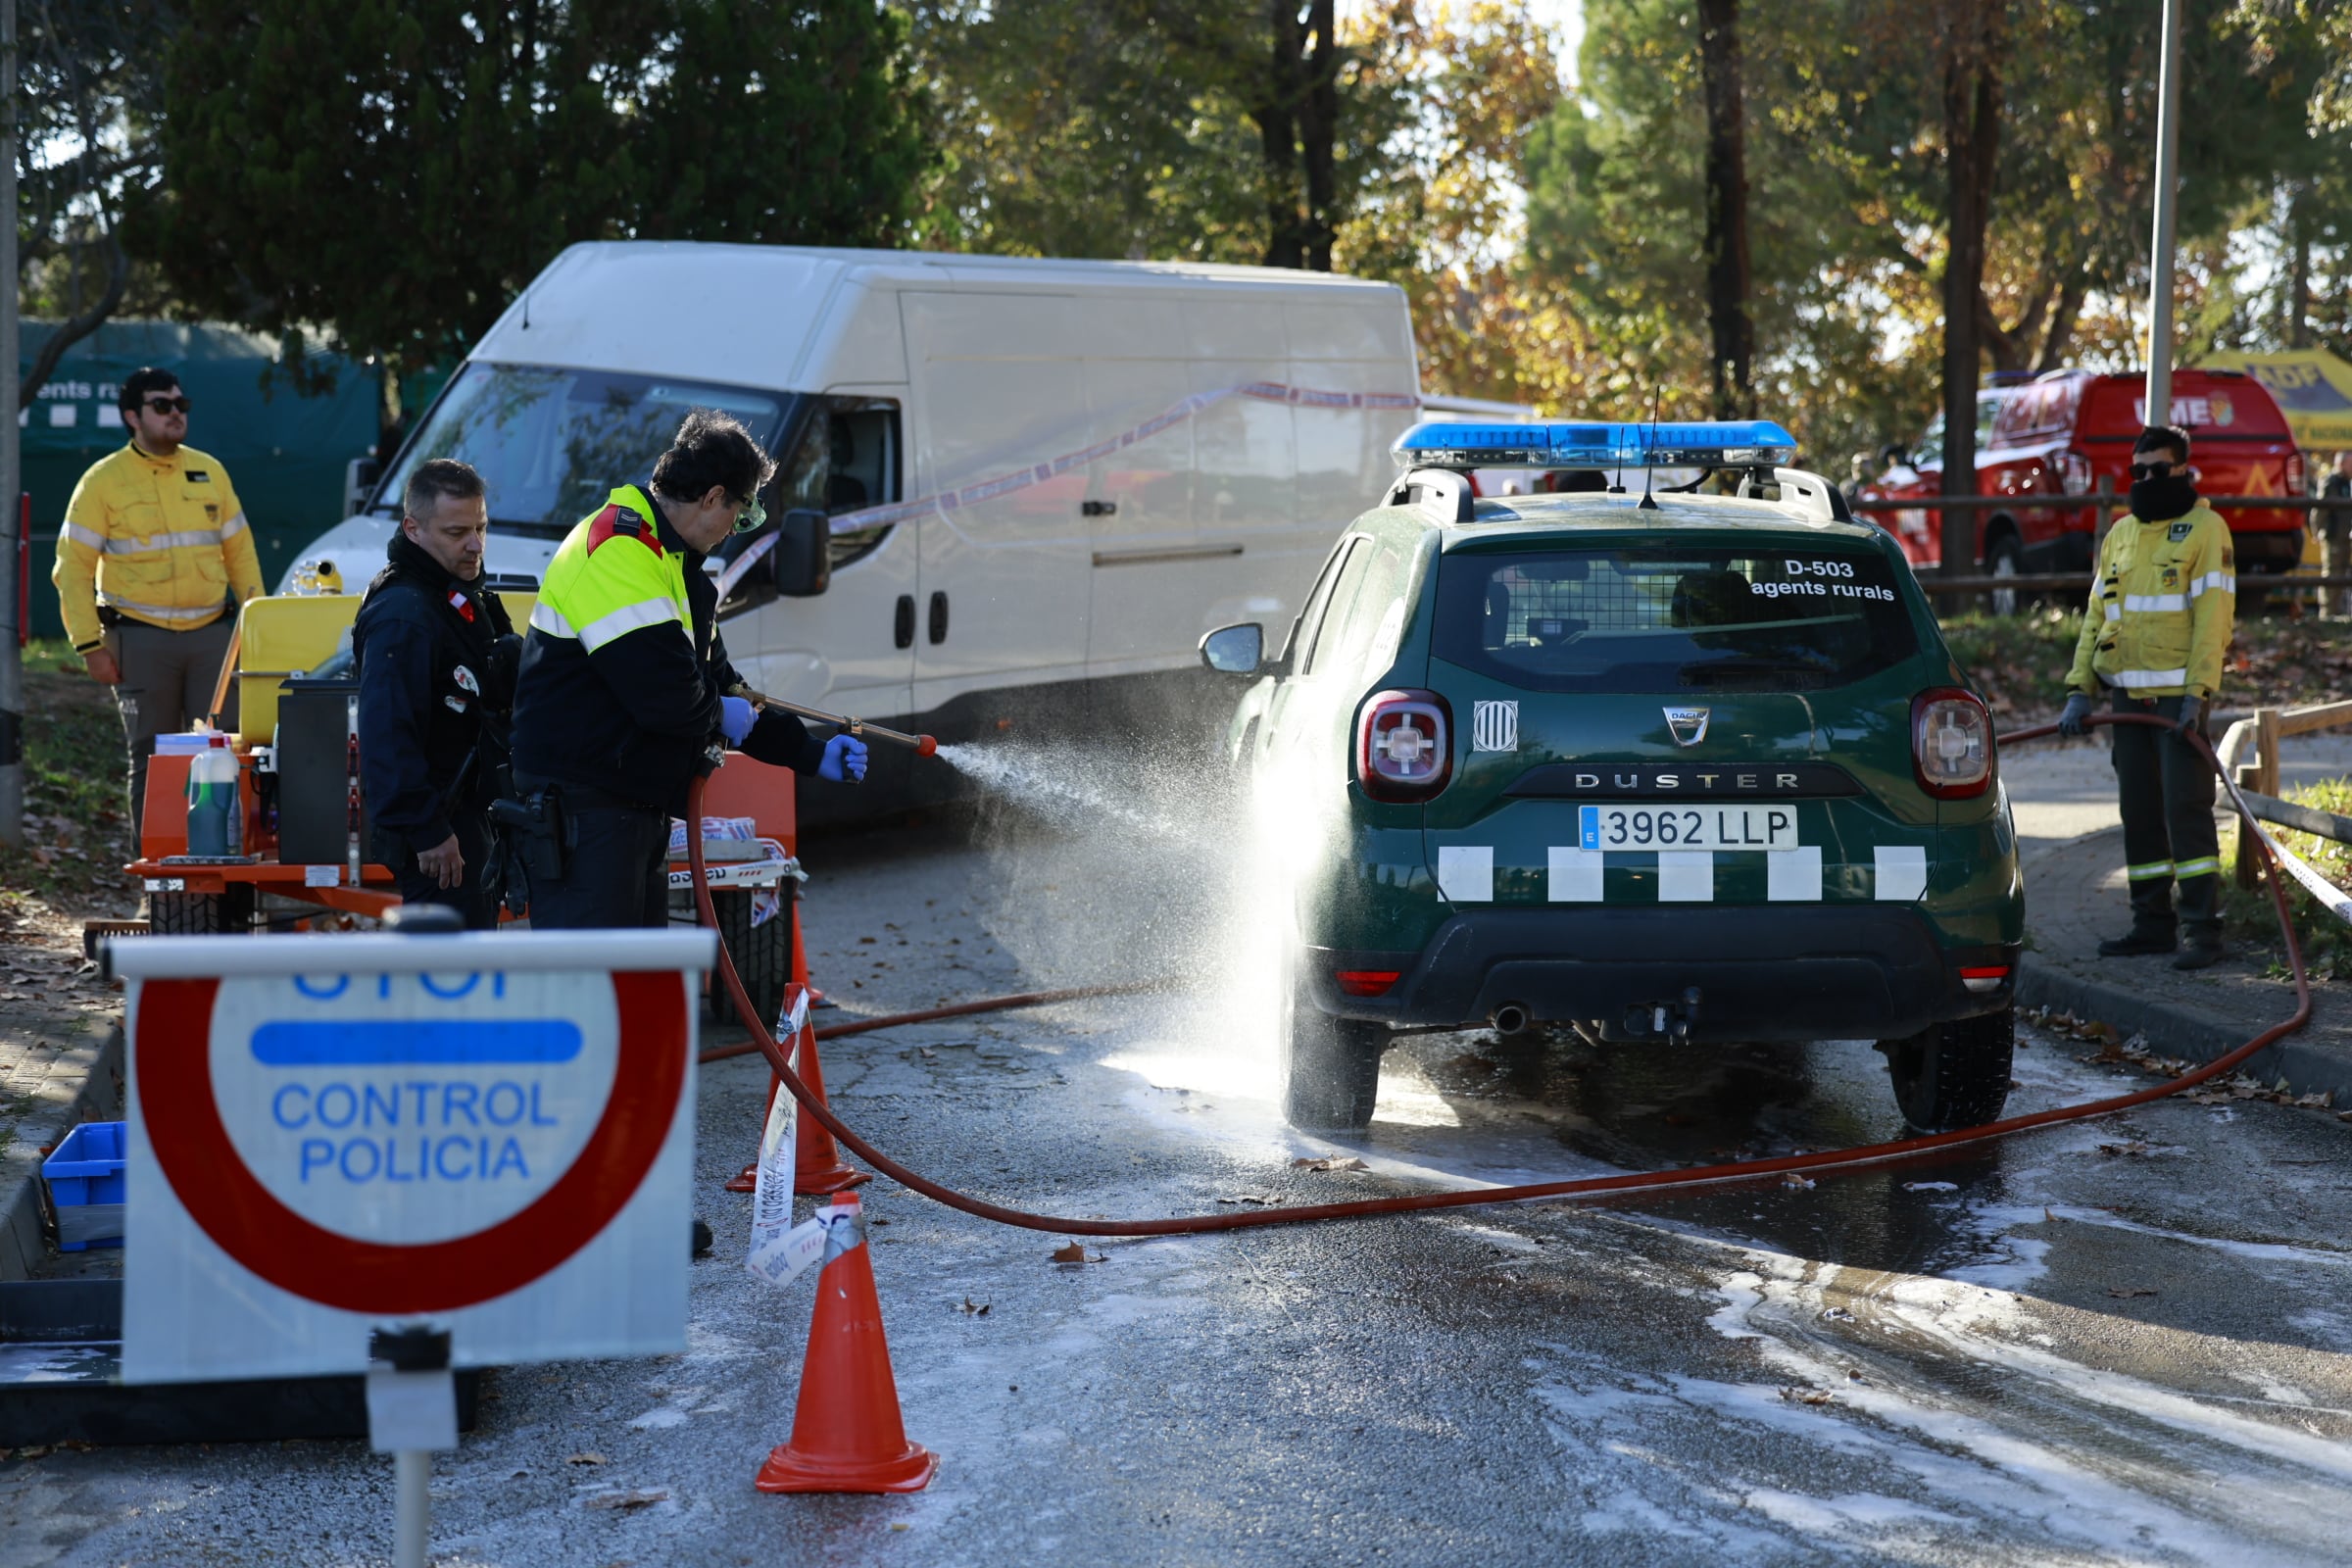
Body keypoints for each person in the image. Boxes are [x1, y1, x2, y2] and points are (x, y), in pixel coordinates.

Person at [507, 409, 867, 929]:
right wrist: (719, 710)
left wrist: (810, 751)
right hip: (583, 816)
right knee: (590, 992)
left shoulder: (672, 567)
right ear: (713, 497)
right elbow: (667, 697)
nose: (733, 531)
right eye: (741, 515)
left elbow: (722, 687)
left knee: (635, 985)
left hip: (625, 810)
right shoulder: (616, 551)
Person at [2056, 423, 2236, 970]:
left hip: (2178, 703)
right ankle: (2151, 925)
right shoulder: (2120, 536)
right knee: (2139, 814)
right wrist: (2079, 690)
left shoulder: (2207, 530)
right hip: (2128, 702)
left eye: (2160, 469)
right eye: (2140, 471)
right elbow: (2096, 618)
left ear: (2183, 469)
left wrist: (2198, 692)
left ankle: (2203, 931)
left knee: (2186, 812)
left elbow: (2213, 621)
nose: (2148, 479)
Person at [52, 368, 265, 826]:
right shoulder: (102, 481)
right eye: (162, 405)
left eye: (180, 405)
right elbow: (72, 567)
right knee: (152, 756)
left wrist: (256, 625)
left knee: (226, 749)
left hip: (213, 639)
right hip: (139, 641)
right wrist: (89, 644)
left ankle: (226, 877)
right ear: (132, 416)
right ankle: (156, 886)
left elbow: (240, 555)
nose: (175, 413)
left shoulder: (210, 471)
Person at [352, 460, 518, 928]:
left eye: (481, 528)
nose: (474, 544)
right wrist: (428, 832)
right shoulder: (403, 614)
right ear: (414, 528)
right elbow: (387, 736)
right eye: (456, 531)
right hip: (437, 834)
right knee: (447, 982)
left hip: (466, 820)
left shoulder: (456, 594)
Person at [2322, 450, 2352, 618]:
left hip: (2345, 537)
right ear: (2341, 464)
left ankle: (2336, 611)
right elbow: (2321, 509)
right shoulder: (2331, 482)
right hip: (2333, 536)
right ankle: (2327, 612)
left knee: (2341, 574)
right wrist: (2317, 530)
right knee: (2331, 574)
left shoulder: (2346, 483)